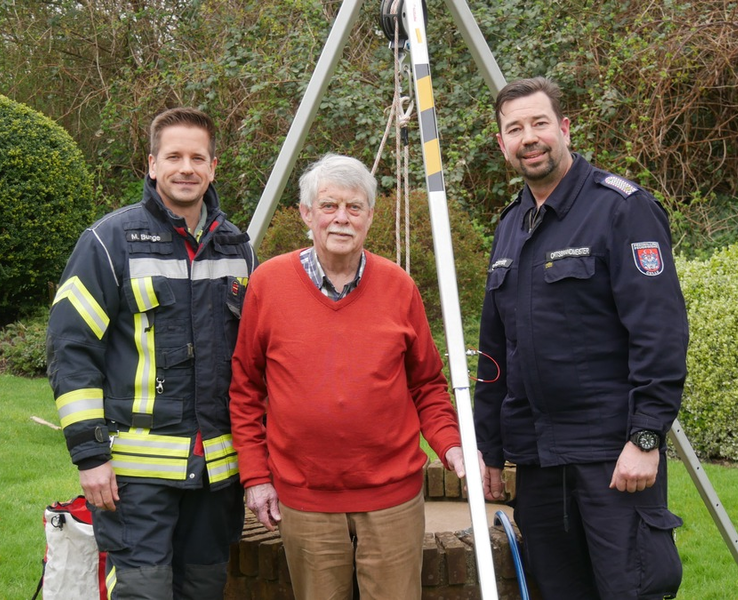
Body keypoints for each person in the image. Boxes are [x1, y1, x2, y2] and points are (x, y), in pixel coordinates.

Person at [474, 77, 689, 600]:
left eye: (540, 123)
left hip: (612, 458)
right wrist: (489, 450)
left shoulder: (621, 209)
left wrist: (645, 438)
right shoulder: (510, 228)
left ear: (565, 128)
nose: (529, 137)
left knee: (630, 590)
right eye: (515, 128)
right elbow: (495, 353)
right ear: (503, 143)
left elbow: (658, 333)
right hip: (540, 464)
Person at [229, 153, 469, 600]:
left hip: (393, 498)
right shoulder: (268, 284)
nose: (342, 218)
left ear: (370, 217)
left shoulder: (399, 286)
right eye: (328, 206)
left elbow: (427, 385)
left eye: (354, 207)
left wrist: (451, 445)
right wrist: (257, 477)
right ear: (306, 213)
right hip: (306, 500)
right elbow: (246, 390)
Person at [46, 107, 257, 599]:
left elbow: (255, 360)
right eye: (174, 156)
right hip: (133, 477)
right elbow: (71, 349)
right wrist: (90, 455)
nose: (186, 167)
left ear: (213, 167)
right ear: (152, 164)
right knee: (144, 591)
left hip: (216, 474)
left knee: (204, 588)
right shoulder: (109, 241)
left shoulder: (238, 248)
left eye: (197, 157)